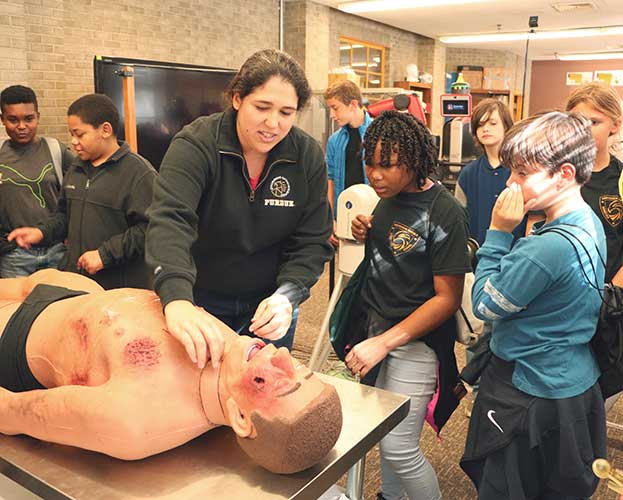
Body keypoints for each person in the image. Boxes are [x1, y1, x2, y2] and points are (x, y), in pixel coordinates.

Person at [0, 269, 342, 474]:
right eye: (299, 368)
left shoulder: (133, 421)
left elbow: (13, 413)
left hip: (19, 334)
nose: (281, 355)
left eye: (279, 383)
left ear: (241, 418)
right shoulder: (233, 355)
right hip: (77, 294)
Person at [145, 49, 333, 366]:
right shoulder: (196, 145)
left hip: (270, 305)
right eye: (262, 107)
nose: (272, 123)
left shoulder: (306, 156)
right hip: (201, 300)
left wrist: (288, 295)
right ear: (237, 99)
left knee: (264, 390)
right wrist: (177, 299)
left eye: (286, 112)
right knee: (201, 389)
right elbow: (170, 222)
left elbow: (312, 240)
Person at [460, 112, 607, 499]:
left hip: (531, 391)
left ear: (564, 174)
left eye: (522, 173)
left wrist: (498, 232)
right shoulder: (588, 221)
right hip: (572, 381)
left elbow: (485, 304)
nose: (510, 183)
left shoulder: (547, 247)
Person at [347, 111, 471, 500]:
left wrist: (385, 342)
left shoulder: (444, 210)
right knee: (385, 431)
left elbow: (447, 299)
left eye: (387, 165)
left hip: (416, 343)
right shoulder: (388, 200)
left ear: (415, 161)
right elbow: (399, 253)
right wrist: (366, 229)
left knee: (400, 447)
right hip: (378, 332)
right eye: (370, 163)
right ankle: (390, 496)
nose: (375, 175)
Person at [8, 94, 157, 290]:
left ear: (105, 130)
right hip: (77, 281)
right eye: (72, 134)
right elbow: (64, 216)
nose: (73, 142)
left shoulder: (138, 173)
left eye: (80, 135)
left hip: (118, 288)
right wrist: (41, 232)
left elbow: (150, 228)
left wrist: (105, 255)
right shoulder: (76, 168)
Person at [0, 85, 74, 277]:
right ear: (2, 119)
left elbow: (80, 192)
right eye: (13, 120)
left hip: (57, 251)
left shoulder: (56, 150)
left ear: (38, 117)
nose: (21, 126)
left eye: (28, 118)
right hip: (14, 257)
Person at [566, 82, 623, 286]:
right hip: (561, 290)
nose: (584, 130)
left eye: (594, 122)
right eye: (577, 122)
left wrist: (611, 294)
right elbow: (534, 233)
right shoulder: (556, 174)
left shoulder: (620, 177)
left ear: (615, 125)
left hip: (609, 291)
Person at [455, 98, 525, 245]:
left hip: (517, 250)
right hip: (478, 252)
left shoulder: (522, 170)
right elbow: (458, 219)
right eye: (480, 125)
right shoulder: (468, 173)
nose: (486, 129)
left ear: (506, 126)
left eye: (493, 123)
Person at [324, 79, 373, 246]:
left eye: (335, 108)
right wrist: (331, 220)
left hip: (372, 218)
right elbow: (330, 181)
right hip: (344, 217)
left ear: (353, 104)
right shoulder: (334, 141)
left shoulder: (378, 134)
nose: (332, 115)